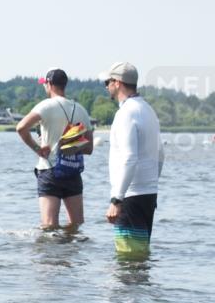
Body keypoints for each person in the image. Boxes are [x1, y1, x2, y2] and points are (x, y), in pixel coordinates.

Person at [14, 69, 94, 230]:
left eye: (45, 84)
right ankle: (70, 254)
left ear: (49, 84)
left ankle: (53, 255)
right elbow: (89, 148)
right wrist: (71, 146)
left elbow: (21, 127)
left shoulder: (45, 106)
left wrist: (38, 149)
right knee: (76, 225)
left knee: (49, 227)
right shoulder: (80, 109)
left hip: (50, 170)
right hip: (72, 170)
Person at [98, 62, 163, 258]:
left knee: (128, 261)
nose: (106, 86)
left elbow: (129, 158)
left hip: (130, 196)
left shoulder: (125, 113)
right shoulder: (148, 110)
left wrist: (117, 199)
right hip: (148, 194)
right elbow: (160, 154)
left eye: (107, 82)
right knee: (140, 257)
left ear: (117, 83)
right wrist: (150, 183)